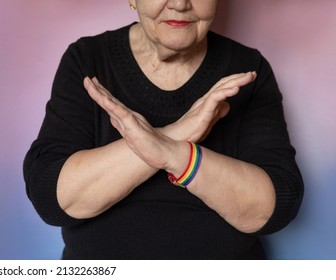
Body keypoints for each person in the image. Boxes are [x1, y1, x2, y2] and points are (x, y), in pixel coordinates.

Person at [23, 0, 304, 259]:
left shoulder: (247, 70)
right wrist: (177, 131)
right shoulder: (87, 60)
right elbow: (54, 197)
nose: (180, 3)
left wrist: (175, 154)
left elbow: (274, 208)